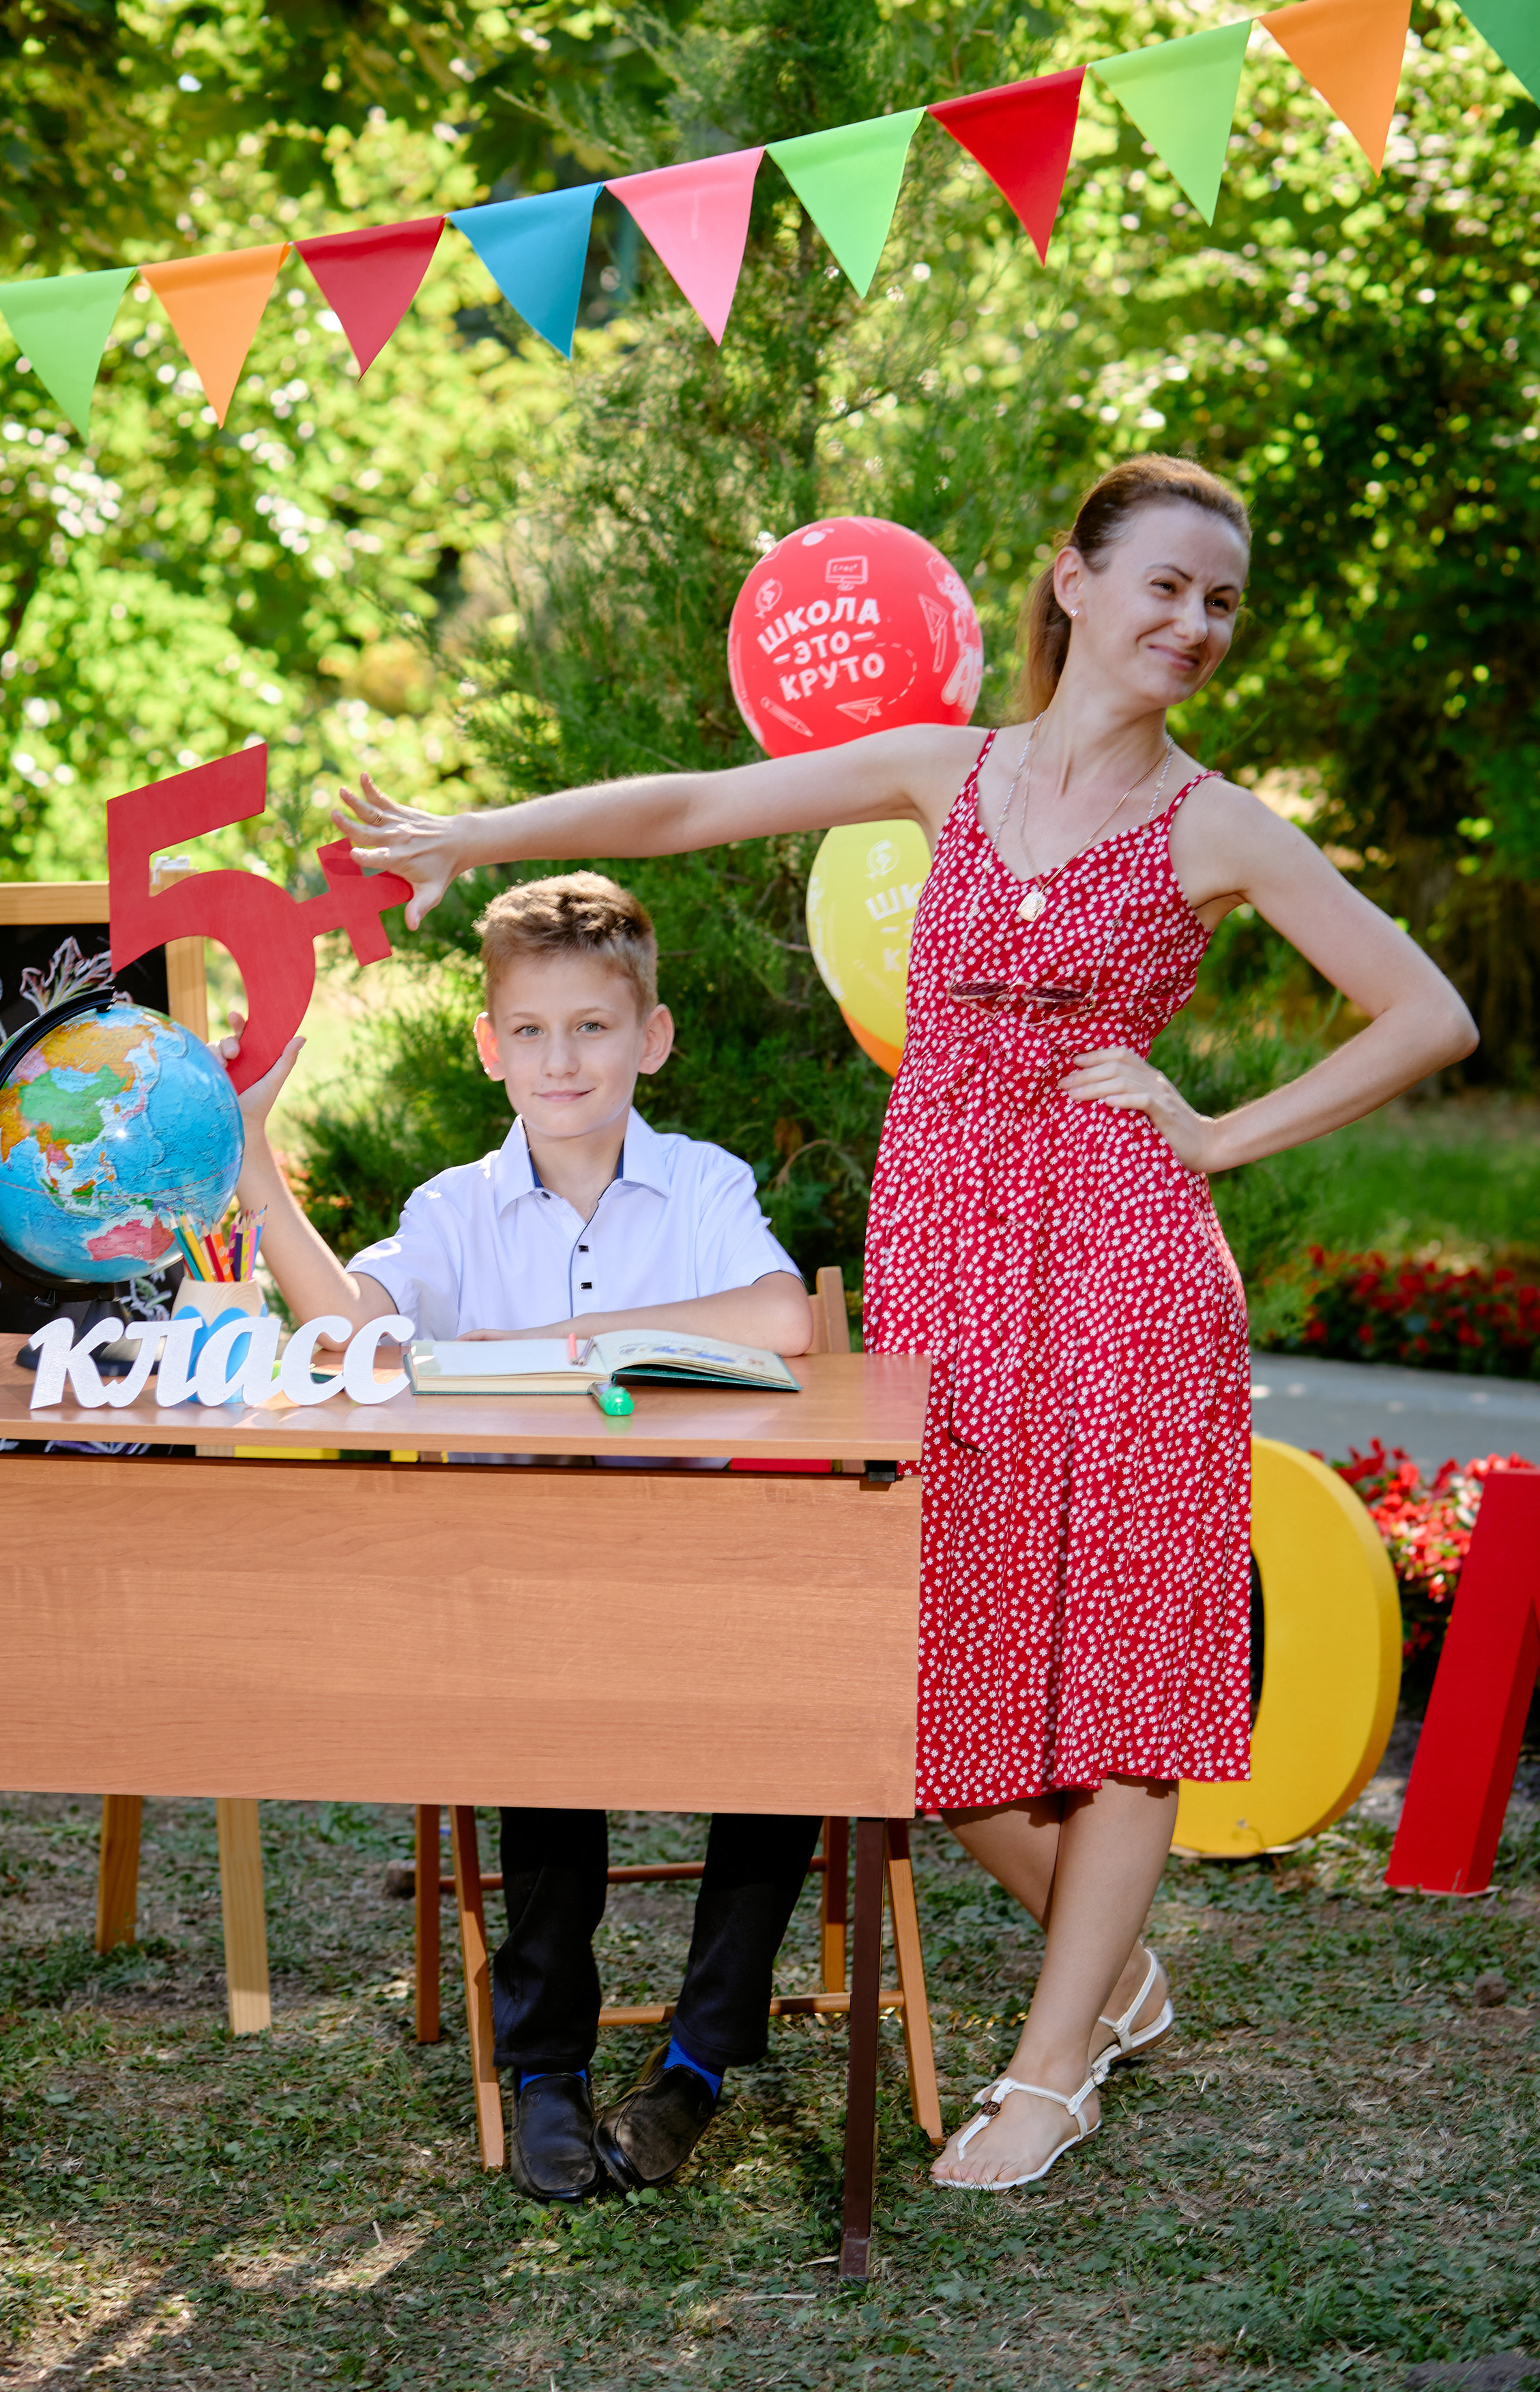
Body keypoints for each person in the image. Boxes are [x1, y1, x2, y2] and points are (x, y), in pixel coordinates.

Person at [330, 454, 1477, 2195]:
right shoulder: (946, 772)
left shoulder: (1215, 823)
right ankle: (1116, 1979)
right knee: (926, 1686)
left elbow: (1425, 1011)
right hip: (944, 1254)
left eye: (1219, 601)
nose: (1192, 623)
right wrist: (487, 835)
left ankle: (1047, 2064)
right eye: (1162, 584)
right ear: (1071, 584)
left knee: (1129, 1673)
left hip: (1123, 1273)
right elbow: (695, 806)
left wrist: (1219, 1134)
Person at [220, 871, 822, 2206]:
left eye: (594, 1029)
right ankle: (543, 2069)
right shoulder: (451, 1212)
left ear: (648, 1039)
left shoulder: (701, 1185)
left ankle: (697, 2066)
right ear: (489, 1049)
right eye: (532, 1032)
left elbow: (783, 1321)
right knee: (539, 1719)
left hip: (700, 1572)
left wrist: (532, 1351)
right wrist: (256, 1165)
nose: (563, 1059)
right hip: (531, 1594)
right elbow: (350, 1345)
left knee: (805, 1720)